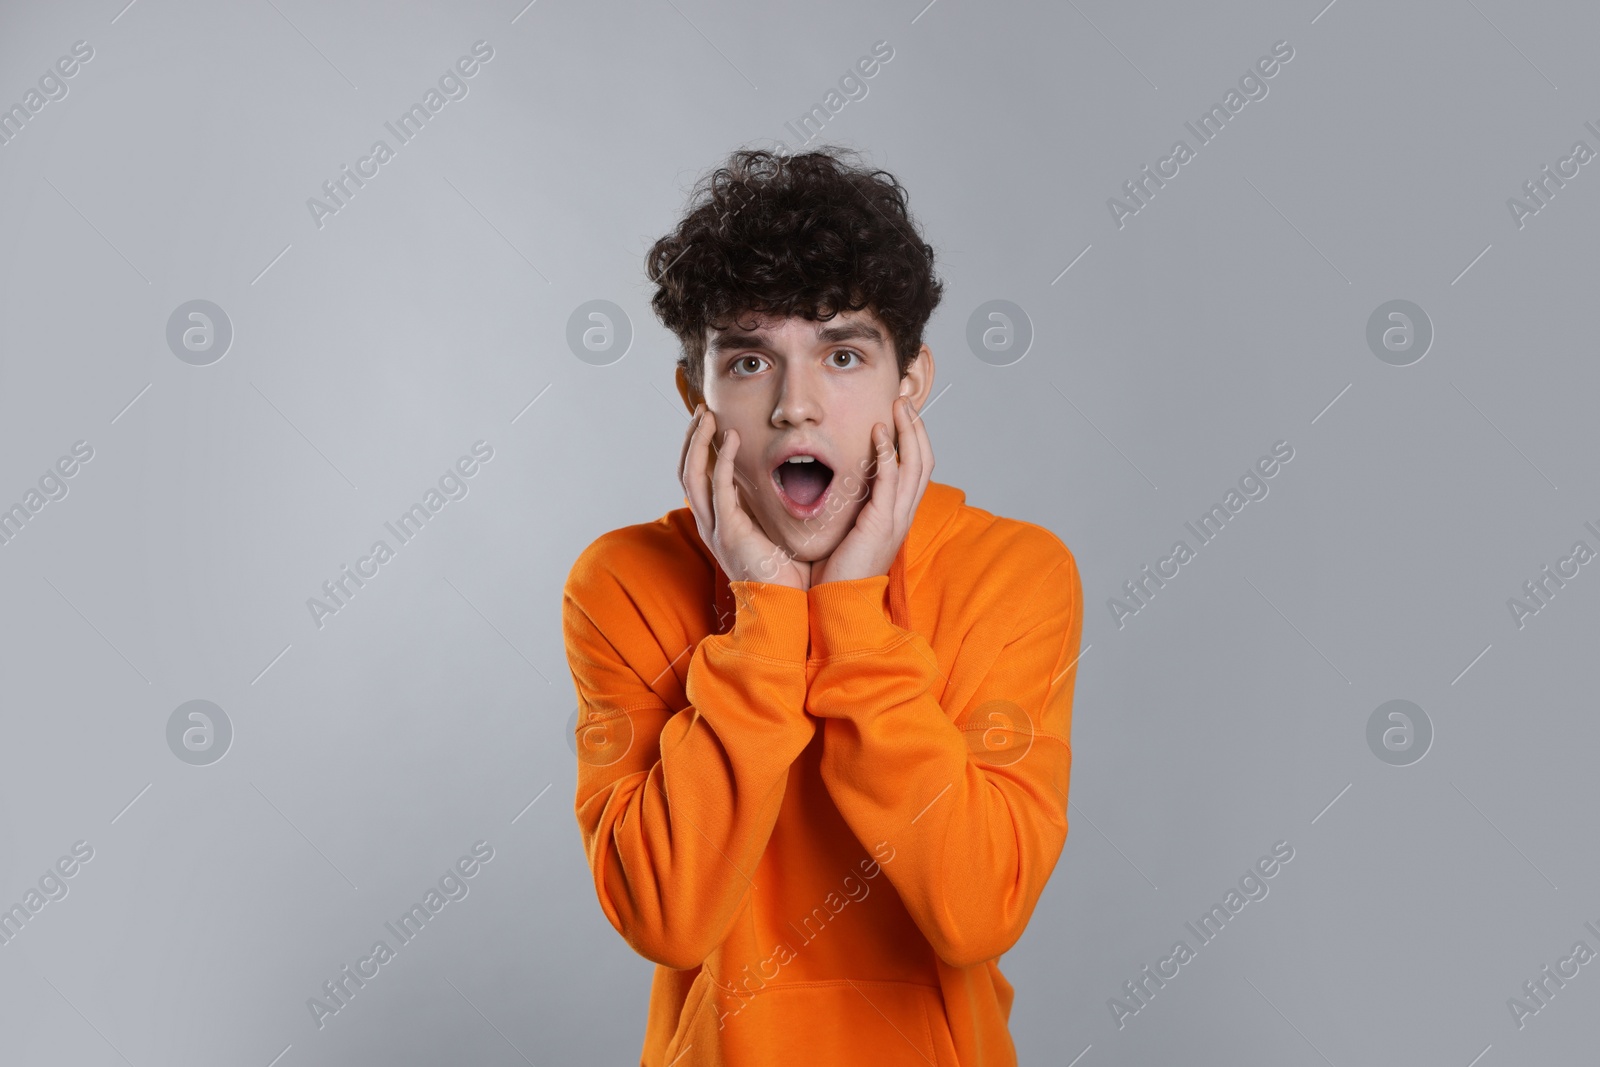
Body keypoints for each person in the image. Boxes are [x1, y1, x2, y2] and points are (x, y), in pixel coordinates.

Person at [561, 145, 1083, 1066]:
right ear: (698, 395)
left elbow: (977, 909)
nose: (797, 407)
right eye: (752, 360)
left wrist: (850, 608)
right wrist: (766, 610)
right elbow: (667, 916)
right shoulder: (624, 585)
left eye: (843, 354)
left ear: (910, 382)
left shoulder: (1014, 573)